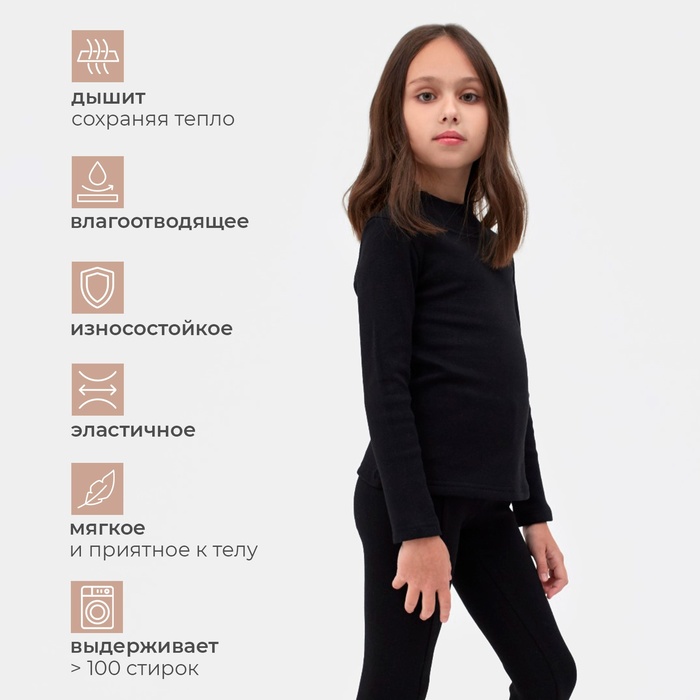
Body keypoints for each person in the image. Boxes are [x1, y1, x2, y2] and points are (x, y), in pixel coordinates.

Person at [346, 24, 577, 700]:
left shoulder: (489, 245)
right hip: (412, 502)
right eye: (427, 95)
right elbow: (384, 388)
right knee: (396, 686)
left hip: (486, 504)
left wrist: (533, 511)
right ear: (395, 116)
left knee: (549, 675)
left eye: (468, 96)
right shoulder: (394, 235)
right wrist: (417, 530)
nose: (450, 110)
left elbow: (511, 388)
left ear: (491, 117)